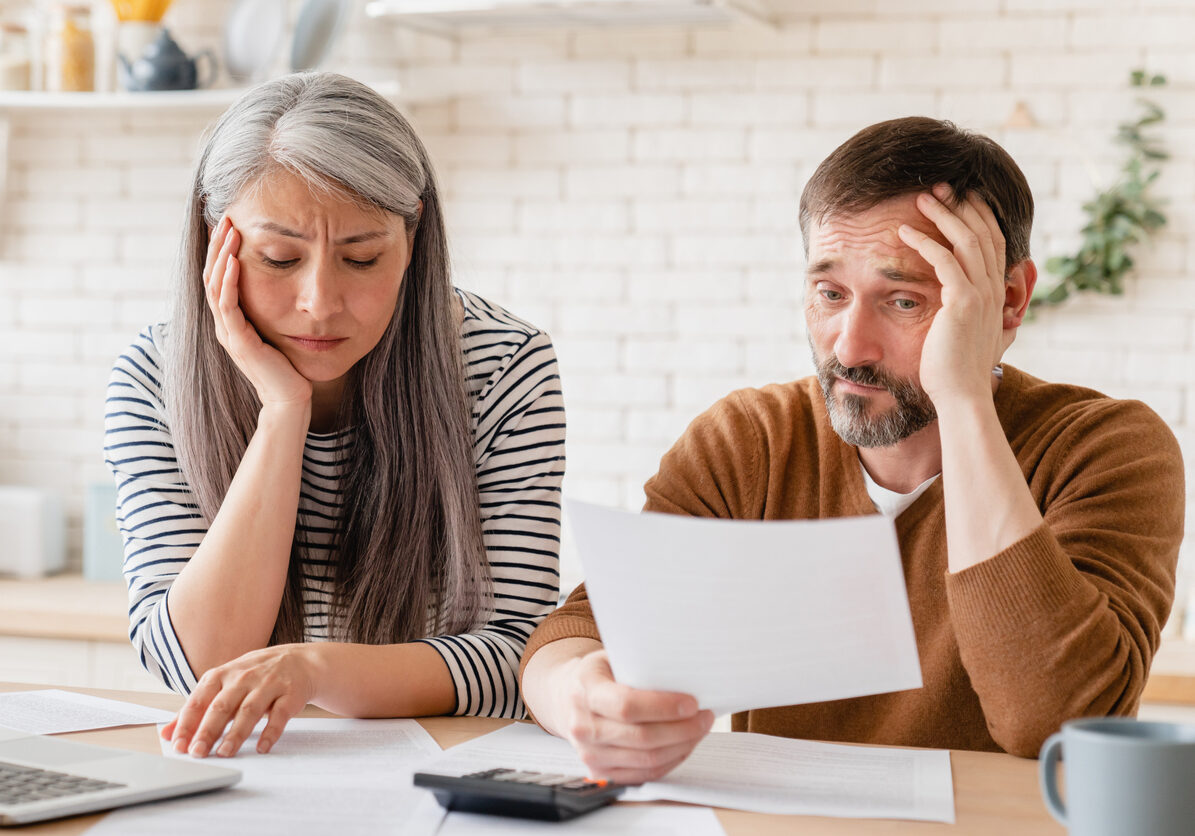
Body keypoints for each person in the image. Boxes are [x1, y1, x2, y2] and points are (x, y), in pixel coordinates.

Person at [518, 116, 1185, 783]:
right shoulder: (750, 441)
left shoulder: (1106, 448)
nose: (847, 347)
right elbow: (579, 630)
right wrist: (580, 698)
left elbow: (1050, 723)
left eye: (901, 300)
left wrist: (962, 401)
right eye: (829, 293)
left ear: (1005, 301)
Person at [104, 73, 565, 759]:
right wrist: (281, 412)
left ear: (413, 238)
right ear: (213, 242)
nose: (320, 301)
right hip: (248, 772)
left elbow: (512, 659)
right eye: (279, 257)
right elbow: (193, 659)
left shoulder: (502, 367)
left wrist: (314, 668)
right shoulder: (153, 375)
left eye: (362, 257)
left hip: (448, 768)